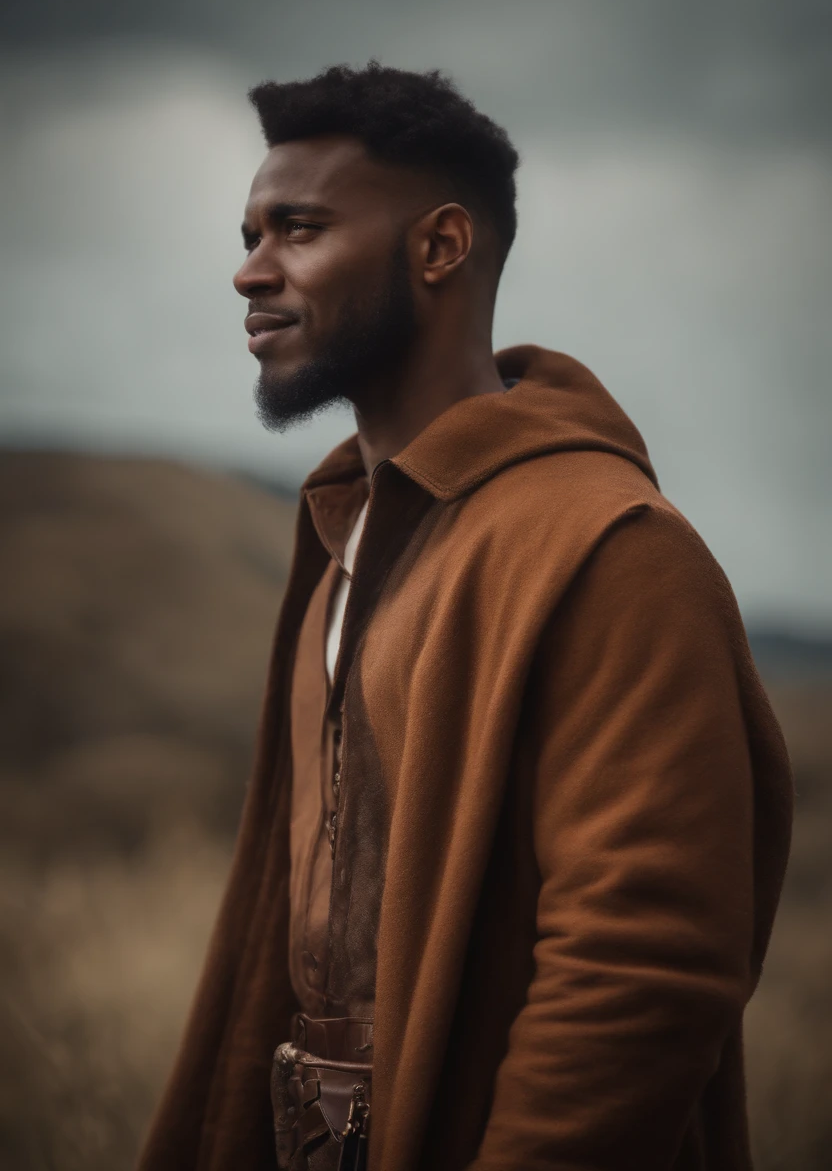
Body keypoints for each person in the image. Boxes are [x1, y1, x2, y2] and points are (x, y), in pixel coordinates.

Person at [136, 62, 793, 1171]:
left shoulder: (611, 549)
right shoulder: (342, 542)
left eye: (297, 229)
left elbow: (644, 964)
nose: (249, 272)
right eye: (248, 232)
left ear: (439, 248)